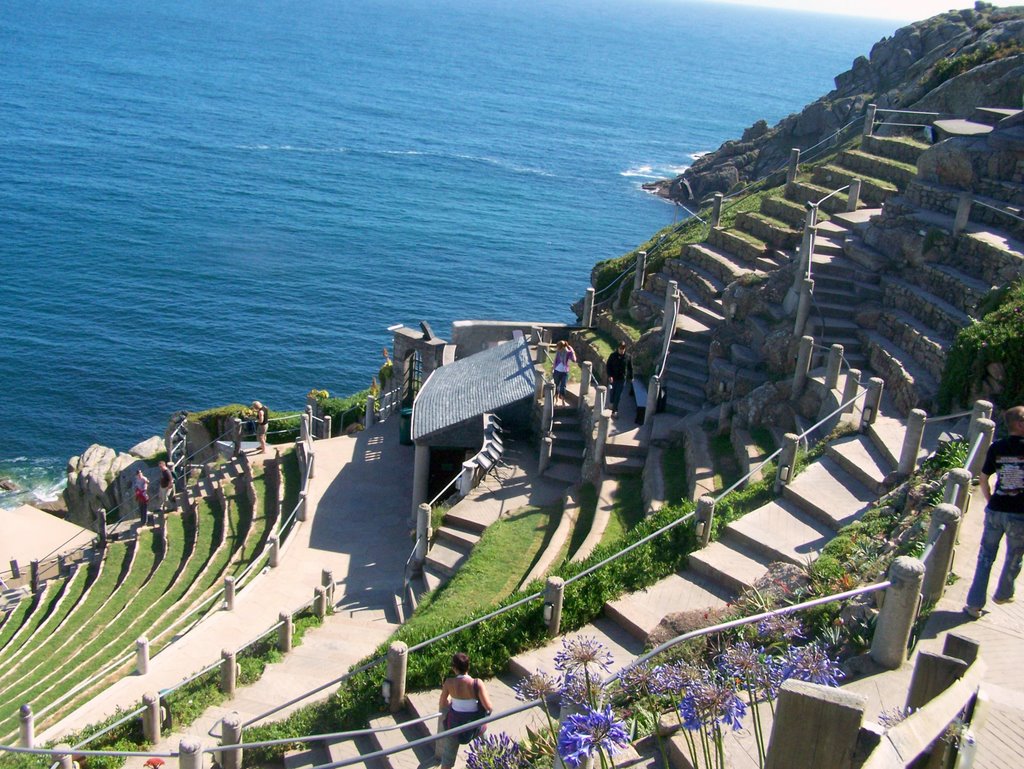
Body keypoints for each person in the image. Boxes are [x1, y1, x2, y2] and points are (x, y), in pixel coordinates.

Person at [964, 405, 1024, 618]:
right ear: (1019, 424)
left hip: (996, 510)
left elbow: (983, 478)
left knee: (985, 557)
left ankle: (973, 604)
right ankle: (1003, 593)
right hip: (1019, 515)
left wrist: (990, 500)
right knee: (1014, 556)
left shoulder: (997, 447)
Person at [438, 652, 493, 769]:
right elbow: (489, 707)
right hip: (475, 724)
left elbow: (443, 703)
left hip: (454, 725)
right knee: (489, 749)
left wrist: (453, 702)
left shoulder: (448, 683)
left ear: (454, 668)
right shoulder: (476, 683)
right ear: (468, 666)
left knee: (447, 759)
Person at [606, 341, 631, 416]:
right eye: (620, 348)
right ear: (618, 348)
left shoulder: (628, 357)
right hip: (613, 378)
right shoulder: (612, 356)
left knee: (618, 395)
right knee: (612, 392)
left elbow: (630, 367)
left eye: (623, 348)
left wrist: (631, 377)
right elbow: (608, 366)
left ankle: (614, 410)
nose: (622, 350)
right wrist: (609, 375)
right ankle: (611, 403)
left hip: (622, 379)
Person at [552, 340, 576, 406]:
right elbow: (555, 360)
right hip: (557, 371)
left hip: (564, 372)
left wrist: (572, 351)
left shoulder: (568, 353)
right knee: (556, 385)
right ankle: (556, 400)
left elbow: (574, 360)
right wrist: (553, 369)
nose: (557, 348)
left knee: (563, 386)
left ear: (562, 347)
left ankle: (563, 400)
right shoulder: (558, 352)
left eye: (559, 347)